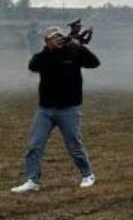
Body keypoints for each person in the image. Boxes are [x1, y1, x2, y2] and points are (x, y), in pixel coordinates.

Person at [11, 25, 99, 193]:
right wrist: (48, 50)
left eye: (59, 36)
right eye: (53, 37)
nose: (58, 39)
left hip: (69, 110)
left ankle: (88, 175)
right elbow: (32, 66)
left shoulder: (74, 53)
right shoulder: (44, 57)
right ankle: (32, 180)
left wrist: (80, 47)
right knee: (34, 146)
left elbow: (94, 63)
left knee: (74, 144)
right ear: (47, 41)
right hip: (45, 110)